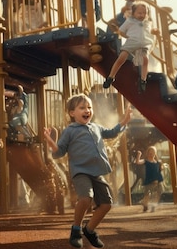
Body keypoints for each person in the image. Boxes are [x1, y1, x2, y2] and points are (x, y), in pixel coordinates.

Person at [42, 94, 132, 249]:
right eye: (82, 107)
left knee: (106, 204)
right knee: (85, 198)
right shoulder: (70, 130)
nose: (87, 110)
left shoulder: (96, 127)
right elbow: (60, 151)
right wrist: (51, 143)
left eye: (89, 107)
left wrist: (124, 121)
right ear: (72, 113)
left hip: (96, 172)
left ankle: (89, 230)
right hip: (80, 171)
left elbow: (111, 133)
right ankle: (76, 230)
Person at [102, 1, 159, 93]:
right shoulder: (130, 21)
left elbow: (150, 31)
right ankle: (111, 77)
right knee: (122, 57)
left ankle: (143, 80)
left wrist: (154, 31)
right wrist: (125, 35)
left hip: (144, 43)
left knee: (145, 60)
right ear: (133, 13)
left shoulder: (148, 23)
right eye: (139, 13)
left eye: (145, 13)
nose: (142, 15)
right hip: (132, 41)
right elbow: (121, 31)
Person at [134, 146, 164, 212]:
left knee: (159, 192)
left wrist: (161, 166)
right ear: (148, 154)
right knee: (147, 194)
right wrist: (139, 155)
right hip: (149, 180)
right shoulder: (146, 161)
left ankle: (154, 205)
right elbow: (138, 162)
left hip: (157, 180)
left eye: (153, 153)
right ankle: (145, 205)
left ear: (155, 153)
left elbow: (160, 169)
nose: (151, 155)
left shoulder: (157, 162)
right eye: (150, 153)